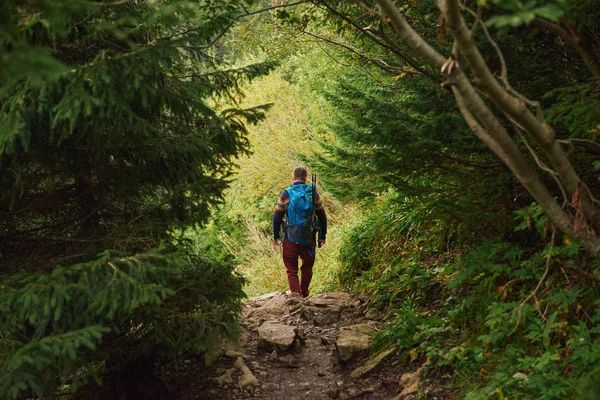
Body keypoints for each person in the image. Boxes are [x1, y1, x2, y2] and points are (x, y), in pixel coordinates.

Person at [272, 167, 327, 298]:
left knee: (292, 270)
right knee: (307, 268)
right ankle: (305, 294)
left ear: (292, 178)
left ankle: (296, 297)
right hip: (309, 238)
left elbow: (277, 217)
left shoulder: (286, 194)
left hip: (291, 239)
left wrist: (276, 236)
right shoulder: (313, 193)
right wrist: (322, 236)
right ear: (306, 178)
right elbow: (322, 216)